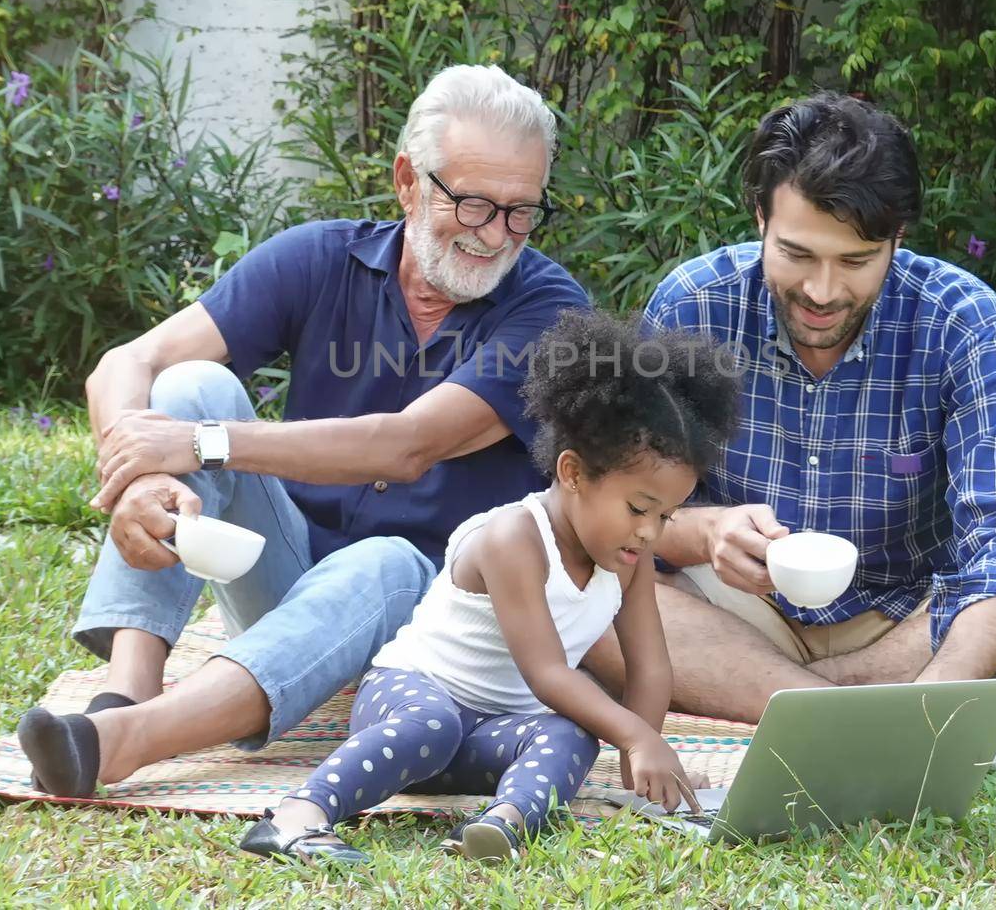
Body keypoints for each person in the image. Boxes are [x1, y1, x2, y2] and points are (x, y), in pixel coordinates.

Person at [15, 64, 589, 803]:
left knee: (386, 560)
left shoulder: (550, 310)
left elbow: (406, 446)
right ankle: (120, 698)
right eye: (474, 204)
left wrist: (200, 444)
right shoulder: (323, 256)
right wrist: (142, 480)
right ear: (408, 181)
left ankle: (125, 742)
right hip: (297, 583)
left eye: (521, 211)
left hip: (435, 639)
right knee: (189, 385)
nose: (496, 235)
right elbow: (126, 363)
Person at [585, 91, 996, 733]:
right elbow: (612, 510)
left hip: (913, 618)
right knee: (597, 612)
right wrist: (707, 532)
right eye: (798, 255)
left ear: (898, 238)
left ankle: (794, 706)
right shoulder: (694, 306)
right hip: (736, 610)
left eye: (856, 262)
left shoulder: (962, 321)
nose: (822, 292)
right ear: (759, 218)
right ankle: (866, 717)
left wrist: (943, 690)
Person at [237, 311, 742, 865]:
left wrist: (641, 754)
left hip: (487, 737)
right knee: (432, 723)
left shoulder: (629, 556)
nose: (650, 531)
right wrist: (634, 735)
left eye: (666, 516)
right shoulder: (512, 538)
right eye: (639, 508)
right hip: (407, 702)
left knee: (572, 737)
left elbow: (649, 666)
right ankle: (295, 817)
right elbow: (547, 672)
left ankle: (501, 825)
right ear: (573, 473)